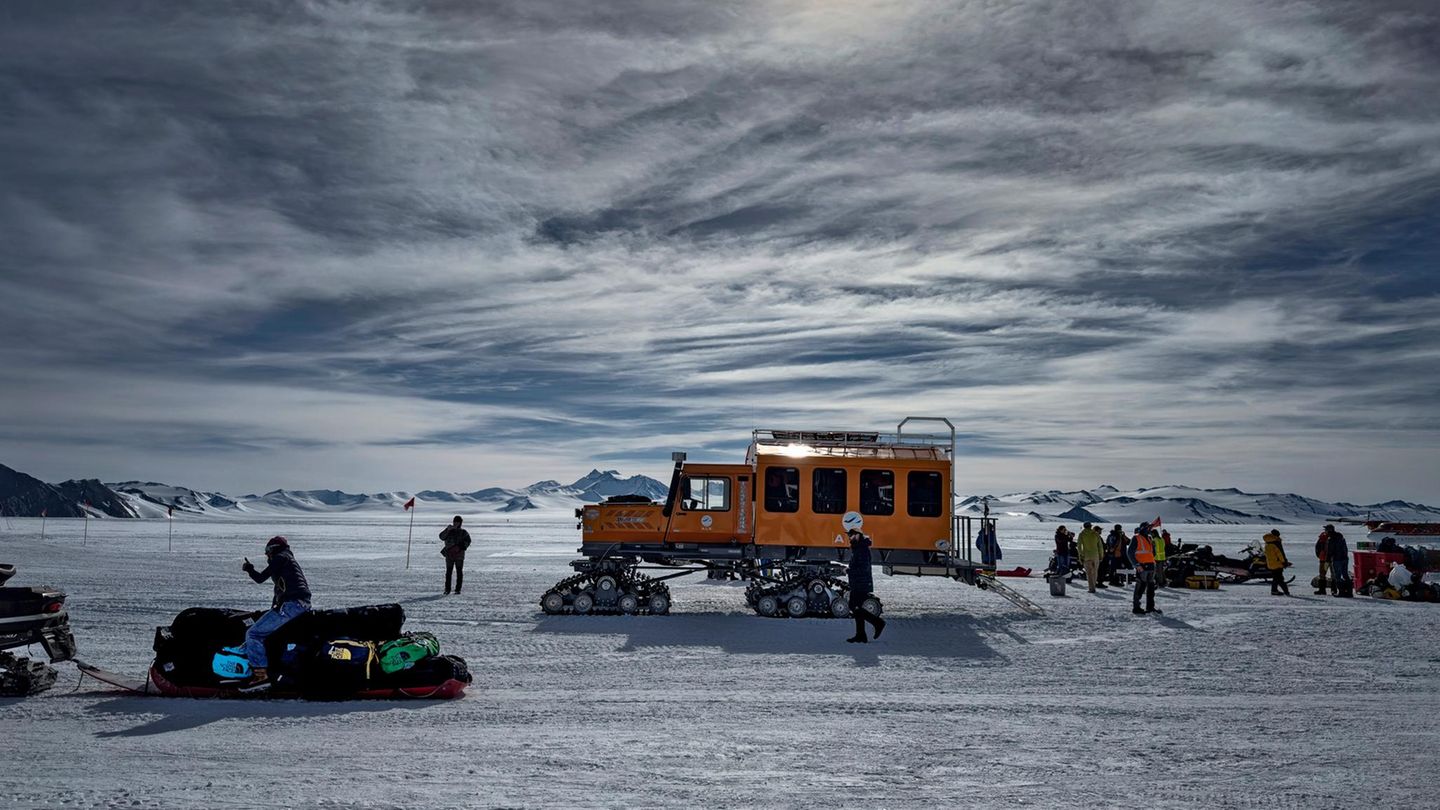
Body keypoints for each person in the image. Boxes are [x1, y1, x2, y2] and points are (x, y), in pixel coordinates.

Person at [240, 536, 312, 687]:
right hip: (298, 604)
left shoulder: (280, 558)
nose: (266, 555)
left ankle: (260, 675)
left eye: (267, 551)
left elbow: (260, 578)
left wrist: (249, 569)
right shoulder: (288, 561)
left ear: (273, 549)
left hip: (292, 605)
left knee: (253, 634)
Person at [841, 512, 885, 643]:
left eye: (851, 535)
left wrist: (849, 570)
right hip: (858, 583)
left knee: (854, 606)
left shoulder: (862, 550)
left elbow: (863, 568)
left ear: (858, 535)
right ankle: (861, 635)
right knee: (856, 607)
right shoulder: (858, 548)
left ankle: (878, 623)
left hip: (861, 583)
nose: (849, 538)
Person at [1127, 523, 1160, 615]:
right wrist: (1137, 565)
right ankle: (1136, 607)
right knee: (1140, 587)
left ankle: (1150, 607)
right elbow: (1130, 553)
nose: (1149, 529)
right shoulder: (1136, 538)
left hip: (1150, 565)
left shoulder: (1149, 538)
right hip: (1142, 566)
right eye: (1147, 528)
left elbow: (1152, 552)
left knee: (1151, 588)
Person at [439, 515, 472, 595]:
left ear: (460, 523)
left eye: (458, 522)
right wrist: (447, 530)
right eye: (455, 521)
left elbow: (468, 541)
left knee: (459, 572)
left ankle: (458, 589)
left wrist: (459, 547)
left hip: (459, 555)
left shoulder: (463, 532)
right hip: (449, 555)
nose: (456, 523)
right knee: (448, 572)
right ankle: (447, 589)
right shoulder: (449, 530)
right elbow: (441, 537)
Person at [1321, 524, 1350, 597]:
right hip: (1344, 559)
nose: (1325, 531)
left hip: (1337, 559)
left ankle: (1341, 591)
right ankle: (1349, 592)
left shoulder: (1331, 539)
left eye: (1326, 530)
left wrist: (1327, 561)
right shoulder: (1341, 537)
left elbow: (1330, 551)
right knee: (1345, 575)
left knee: (1338, 576)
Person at [1077, 522, 1105, 593]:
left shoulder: (1081, 534)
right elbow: (1100, 546)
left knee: (1089, 573)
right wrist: (1101, 555)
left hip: (1086, 556)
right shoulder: (1096, 534)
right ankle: (1094, 586)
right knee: (1095, 572)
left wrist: (1081, 556)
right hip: (1095, 556)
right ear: (1090, 526)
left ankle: (1091, 588)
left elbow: (1079, 546)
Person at [1263, 529, 1290, 596]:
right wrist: (1284, 562)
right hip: (1277, 564)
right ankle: (1286, 592)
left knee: (1276, 578)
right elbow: (1280, 554)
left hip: (1270, 564)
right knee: (1280, 578)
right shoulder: (1276, 543)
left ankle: (1274, 590)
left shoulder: (1267, 543)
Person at [1313, 529, 1331, 595]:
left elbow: (1317, 547)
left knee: (1322, 574)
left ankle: (1322, 590)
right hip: (1327, 559)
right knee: (1324, 574)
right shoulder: (1330, 538)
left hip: (1324, 559)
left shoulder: (1323, 537)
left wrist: (1319, 555)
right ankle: (1330, 590)